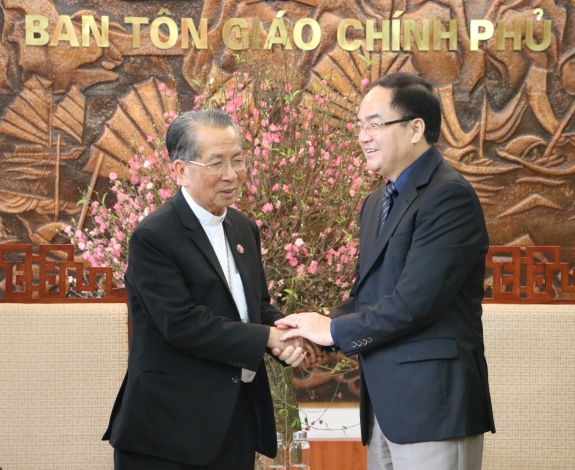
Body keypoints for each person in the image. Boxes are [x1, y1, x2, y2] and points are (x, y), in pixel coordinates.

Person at [276, 72, 496, 470]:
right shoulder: (377, 202)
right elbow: (369, 298)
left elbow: (415, 303)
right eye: (360, 126)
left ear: (416, 129)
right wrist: (317, 335)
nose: (363, 136)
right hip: (384, 408)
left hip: (434, 407)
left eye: (375, 124)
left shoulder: (449, 197)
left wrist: (331, 331)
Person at [103, 109, 316, 469]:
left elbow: (254, 308)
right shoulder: (154, 236)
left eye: (238, 160)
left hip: (234, 418)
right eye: (216, 163)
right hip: (168, 429)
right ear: (181, 170)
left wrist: (294, 333)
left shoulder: (243, 227)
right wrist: (267, 338)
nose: (231, 175)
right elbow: (181, 323)